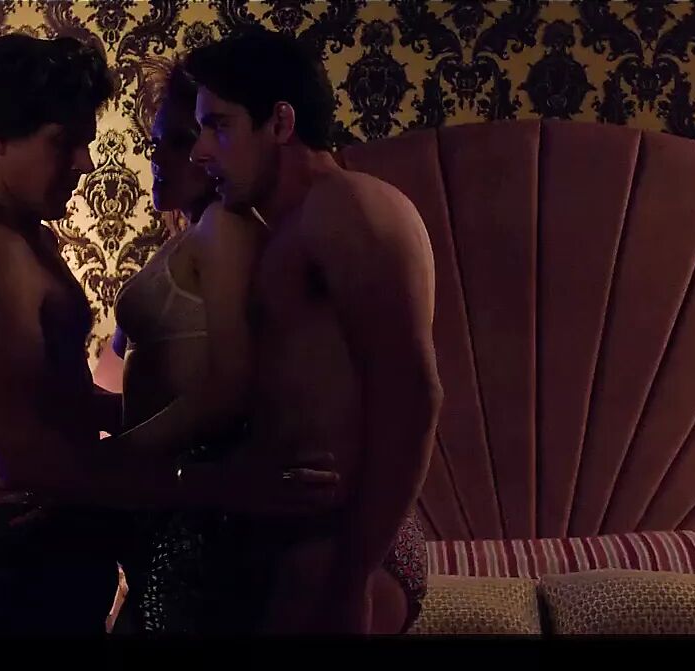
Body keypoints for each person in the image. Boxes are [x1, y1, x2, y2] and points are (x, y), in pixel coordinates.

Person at [0, 33, 337, 636]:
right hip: (7, 564)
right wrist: (227, 484)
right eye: (63, 142)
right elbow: (26, 460)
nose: (85, 163)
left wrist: (163, 418)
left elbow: (56, 393)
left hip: (56, 548)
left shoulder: (28, 234)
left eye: (84, 141)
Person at [177, 28, 442, 634]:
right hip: (297, 540)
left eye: (219, 126)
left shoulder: (347, 208)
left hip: (340, 544)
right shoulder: (285, 226)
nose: (201, 152)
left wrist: (352, 577)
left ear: (280, 122)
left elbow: (414, 398)